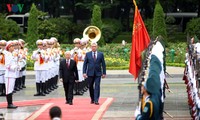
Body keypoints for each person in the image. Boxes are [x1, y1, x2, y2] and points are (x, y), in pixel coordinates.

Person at [4, 41, 18, 109]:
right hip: (9, 74)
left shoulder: (12, 54)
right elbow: (7, 65)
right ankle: (9, 104)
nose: (13, 47)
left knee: (11, 89)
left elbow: (14, 63)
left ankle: (11, 103)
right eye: (11, 46)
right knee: (9, 89)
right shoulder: (8, 55)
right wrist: (14, 67)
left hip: (13, 74)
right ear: (8, 48)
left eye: (13, 46)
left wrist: (17, 66)